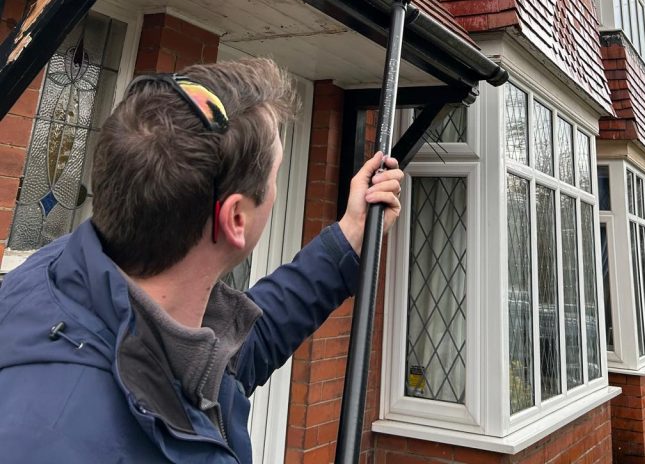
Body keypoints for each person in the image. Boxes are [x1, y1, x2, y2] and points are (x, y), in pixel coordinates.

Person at [0, 59, 403, 463]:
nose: (277, 188)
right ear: (236, 218)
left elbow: (237, 353)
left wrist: (350, 235)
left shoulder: (61, 273)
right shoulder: (56, 443)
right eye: (276, 174)